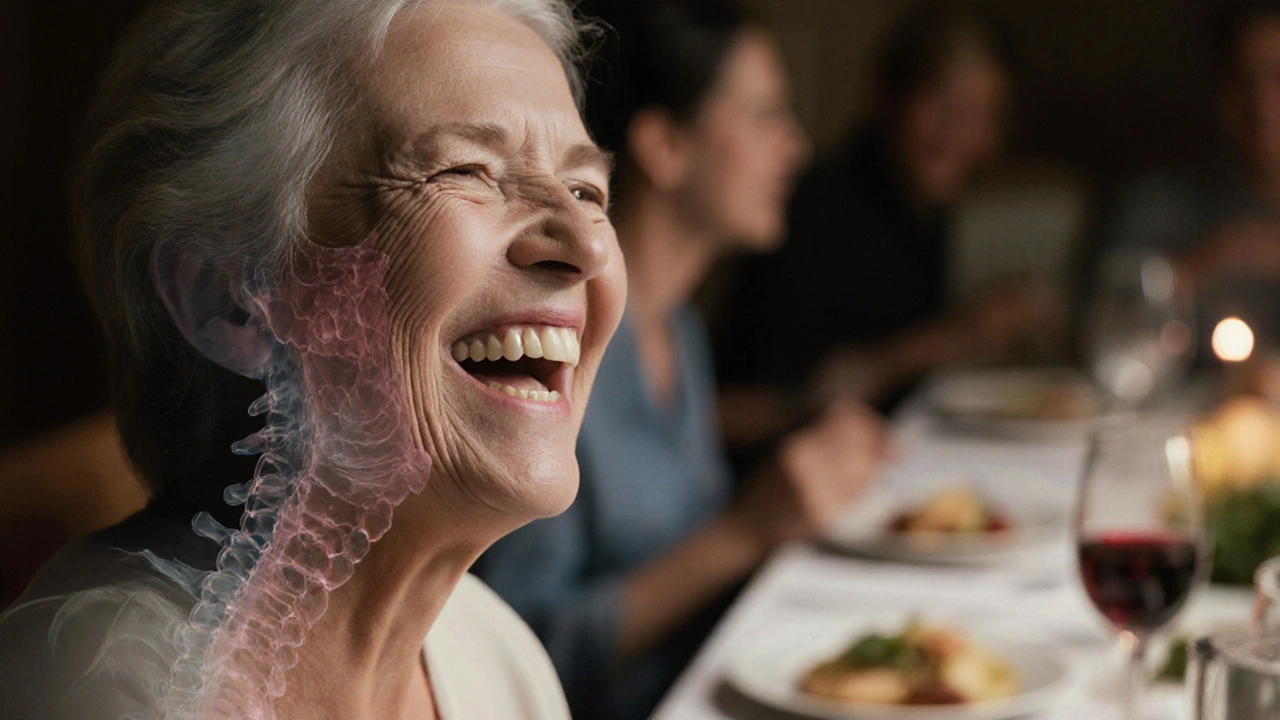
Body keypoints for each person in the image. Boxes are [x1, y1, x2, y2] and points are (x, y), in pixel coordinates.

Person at [0, 1, 625, 719]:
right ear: (230, 300)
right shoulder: (100, 691)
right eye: (466, 170)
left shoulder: (498, 658)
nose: (588, 246)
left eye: (587, 190)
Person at [476, 2, 889, 718]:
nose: (795, 147)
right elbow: (522, 655)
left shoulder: (679, 326)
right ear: (665, 145)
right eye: (765, 116)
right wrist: (746, 531)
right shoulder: (551, 348)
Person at [715, 2, 1054, 426]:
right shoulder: (813, 214)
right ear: (888, 99)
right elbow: (778, 394)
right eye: (946, 109)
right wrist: (953, 337)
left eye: (981, 116)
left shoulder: (922, 206)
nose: (962, 136)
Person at [1105, 0, 1280, 353]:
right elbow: (1103, 334)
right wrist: (1210, 260)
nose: (1261, 103)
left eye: (1278, 77)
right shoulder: (1161, 204)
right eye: (1242, 80)